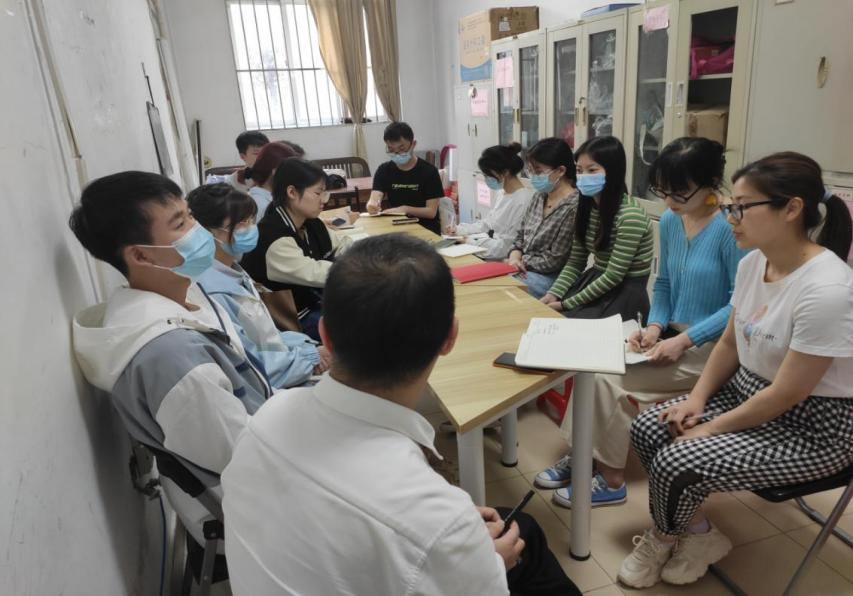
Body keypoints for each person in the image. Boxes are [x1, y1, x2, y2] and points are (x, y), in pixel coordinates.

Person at [222, 234, 580, 596]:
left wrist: (455, 535)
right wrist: (485, 561)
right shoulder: (435, 517)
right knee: (525, 538)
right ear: (450, 338)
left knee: (523, 528)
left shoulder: (264, 419)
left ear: (324, 335)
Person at [619, 152, 853, 589]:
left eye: (741, 207)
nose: (730, 218)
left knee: (677, 459)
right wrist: (697, 399)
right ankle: (699, 533)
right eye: (731, 206)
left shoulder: (827, 288)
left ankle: (664, 536)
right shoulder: (753, 263)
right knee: (650, 427)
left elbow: (787, 394)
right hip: (749, 394)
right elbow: (729, 342)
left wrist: (711, 428)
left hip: (812, 427)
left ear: (792, 208)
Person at [536, 137, 749, 509]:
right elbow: (663, 284)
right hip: (672, 335)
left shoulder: (729, 229)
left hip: (716, 349)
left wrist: (683, 341)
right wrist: (653, 328)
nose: (669, 201)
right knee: (593, 367)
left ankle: (611, 479)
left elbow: (738, 306)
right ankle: (584, 455)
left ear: (711, 183)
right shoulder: (670, 220)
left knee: (608, 381)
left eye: (679, 192)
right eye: (663, 191)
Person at [69, 171, 272, 549]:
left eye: (190, 215)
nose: (198, 230)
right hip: (262, 509)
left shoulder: (181, 292)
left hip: (268, 449)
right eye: (181, 224)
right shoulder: (171, 359)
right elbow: (247, 459)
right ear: (140, 255)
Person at [187, 183, 331, 388]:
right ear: (208, 232)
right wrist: (311, 358)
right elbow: (248, 365)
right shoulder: (212, 292)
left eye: (252, 220)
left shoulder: (233, 271)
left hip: (287, 366)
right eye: (241, 223)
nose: (251, 229)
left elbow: (269, 338)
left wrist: (310, 350)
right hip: (272, 385)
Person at [541, 135, 654, 319]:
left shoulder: (630, 216)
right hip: (596, 280)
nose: (583, 177)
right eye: (579, 170)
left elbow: (614, 276)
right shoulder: (585, 207)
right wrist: (553, 294)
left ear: (613, 172)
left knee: (568, 321)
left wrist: (565, 304)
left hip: (624, 292)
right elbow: (576, 262)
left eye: (592, 170)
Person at [241, 158, 352, 342]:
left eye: (325, 193)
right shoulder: (274, 237)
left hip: (315, 302)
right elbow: (317, 273)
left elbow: (342, 245)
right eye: (318, 193)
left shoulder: (310, 222)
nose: (324, 200)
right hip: (293, 321)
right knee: (363, 319)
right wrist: (362, 267)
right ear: (292, 192)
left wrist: (362, 258)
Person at [507, 137, 579, 298]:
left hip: (553, 277)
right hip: (523, 268)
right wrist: (514, 257)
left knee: (507, 289)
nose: (534, 177)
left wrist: (521, 262)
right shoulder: (539, 196)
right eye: (531, 171)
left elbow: (555, 260)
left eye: (538, 172)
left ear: (560, 171)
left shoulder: (574, 206)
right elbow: (520, 236)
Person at [444, 142, 534, 260]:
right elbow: (488, 224)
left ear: (505, 172)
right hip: (489, 250)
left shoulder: (523, 201)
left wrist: (469, 241)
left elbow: (506, 247)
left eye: (488, 175)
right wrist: (459, 230)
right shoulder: (502, 193)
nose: (486, 179)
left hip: (504, 258)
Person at [367, 121, 444, 234]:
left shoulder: (429, 171)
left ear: (413, 144)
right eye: (391, 149)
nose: (397, 154)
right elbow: (375, 196)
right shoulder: (384, 170)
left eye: (402, 149)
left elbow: (431, 212)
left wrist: (405, 209)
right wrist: (372, 204)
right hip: (398, 229)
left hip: (426, 230)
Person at [244, 142, 298, 218]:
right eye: (291, 171)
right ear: (276, 171)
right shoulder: (260, 204)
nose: (295, 177)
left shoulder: (271, 197)